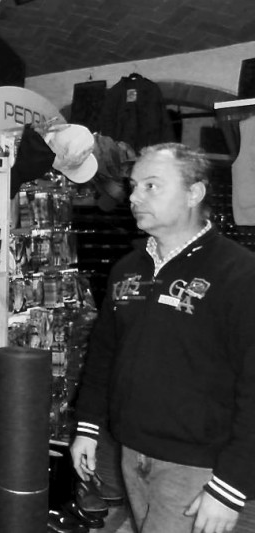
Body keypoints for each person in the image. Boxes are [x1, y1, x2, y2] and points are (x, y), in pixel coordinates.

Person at [70, 142, 255, 533]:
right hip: (132, 452)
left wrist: (231, 485)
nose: (134, 197)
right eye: (134, 186)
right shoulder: (127, 269)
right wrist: (88, 426)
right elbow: (104, 353)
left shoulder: (239, 273)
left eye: (151, 185)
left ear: (194, 192)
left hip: (197, 466)